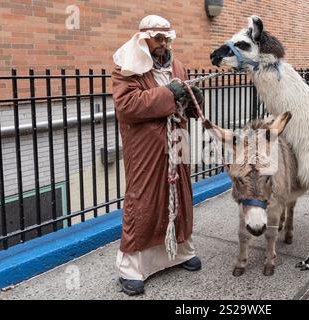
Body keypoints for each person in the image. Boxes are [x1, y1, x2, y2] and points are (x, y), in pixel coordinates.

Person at [111, 15, 203, 296]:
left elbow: (185, 104)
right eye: (158, 39)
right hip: (146, 147)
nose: (164, 44)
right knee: (145, 200)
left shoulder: (177, 65)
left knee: (181, 195)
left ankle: (181, 253)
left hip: (177, 140)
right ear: (144, 39)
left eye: (167, 38)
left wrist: (193, 98)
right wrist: (167, 94)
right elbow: (126, 105)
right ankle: (131, 269)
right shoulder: (126, 66)